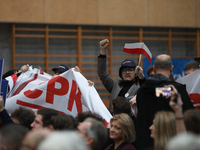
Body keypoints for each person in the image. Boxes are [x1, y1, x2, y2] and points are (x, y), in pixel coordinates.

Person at [135, 54, 195, 150]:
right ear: (171, 69)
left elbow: (157, 91)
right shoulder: (174, 90)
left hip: (143, 143)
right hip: (169, 143)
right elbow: (190, 117)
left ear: (154, 68)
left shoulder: (142, 90)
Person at [98, 39, 145, 110]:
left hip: (130, 120)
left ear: (136, 73)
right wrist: (103, 50)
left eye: (130, 70)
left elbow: (148, 90)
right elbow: (102, 73)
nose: (127, 72)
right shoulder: (115, 85)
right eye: (125, 70)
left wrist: (141, 76)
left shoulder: (139, 88)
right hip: (113, 118)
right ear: (121, 73)